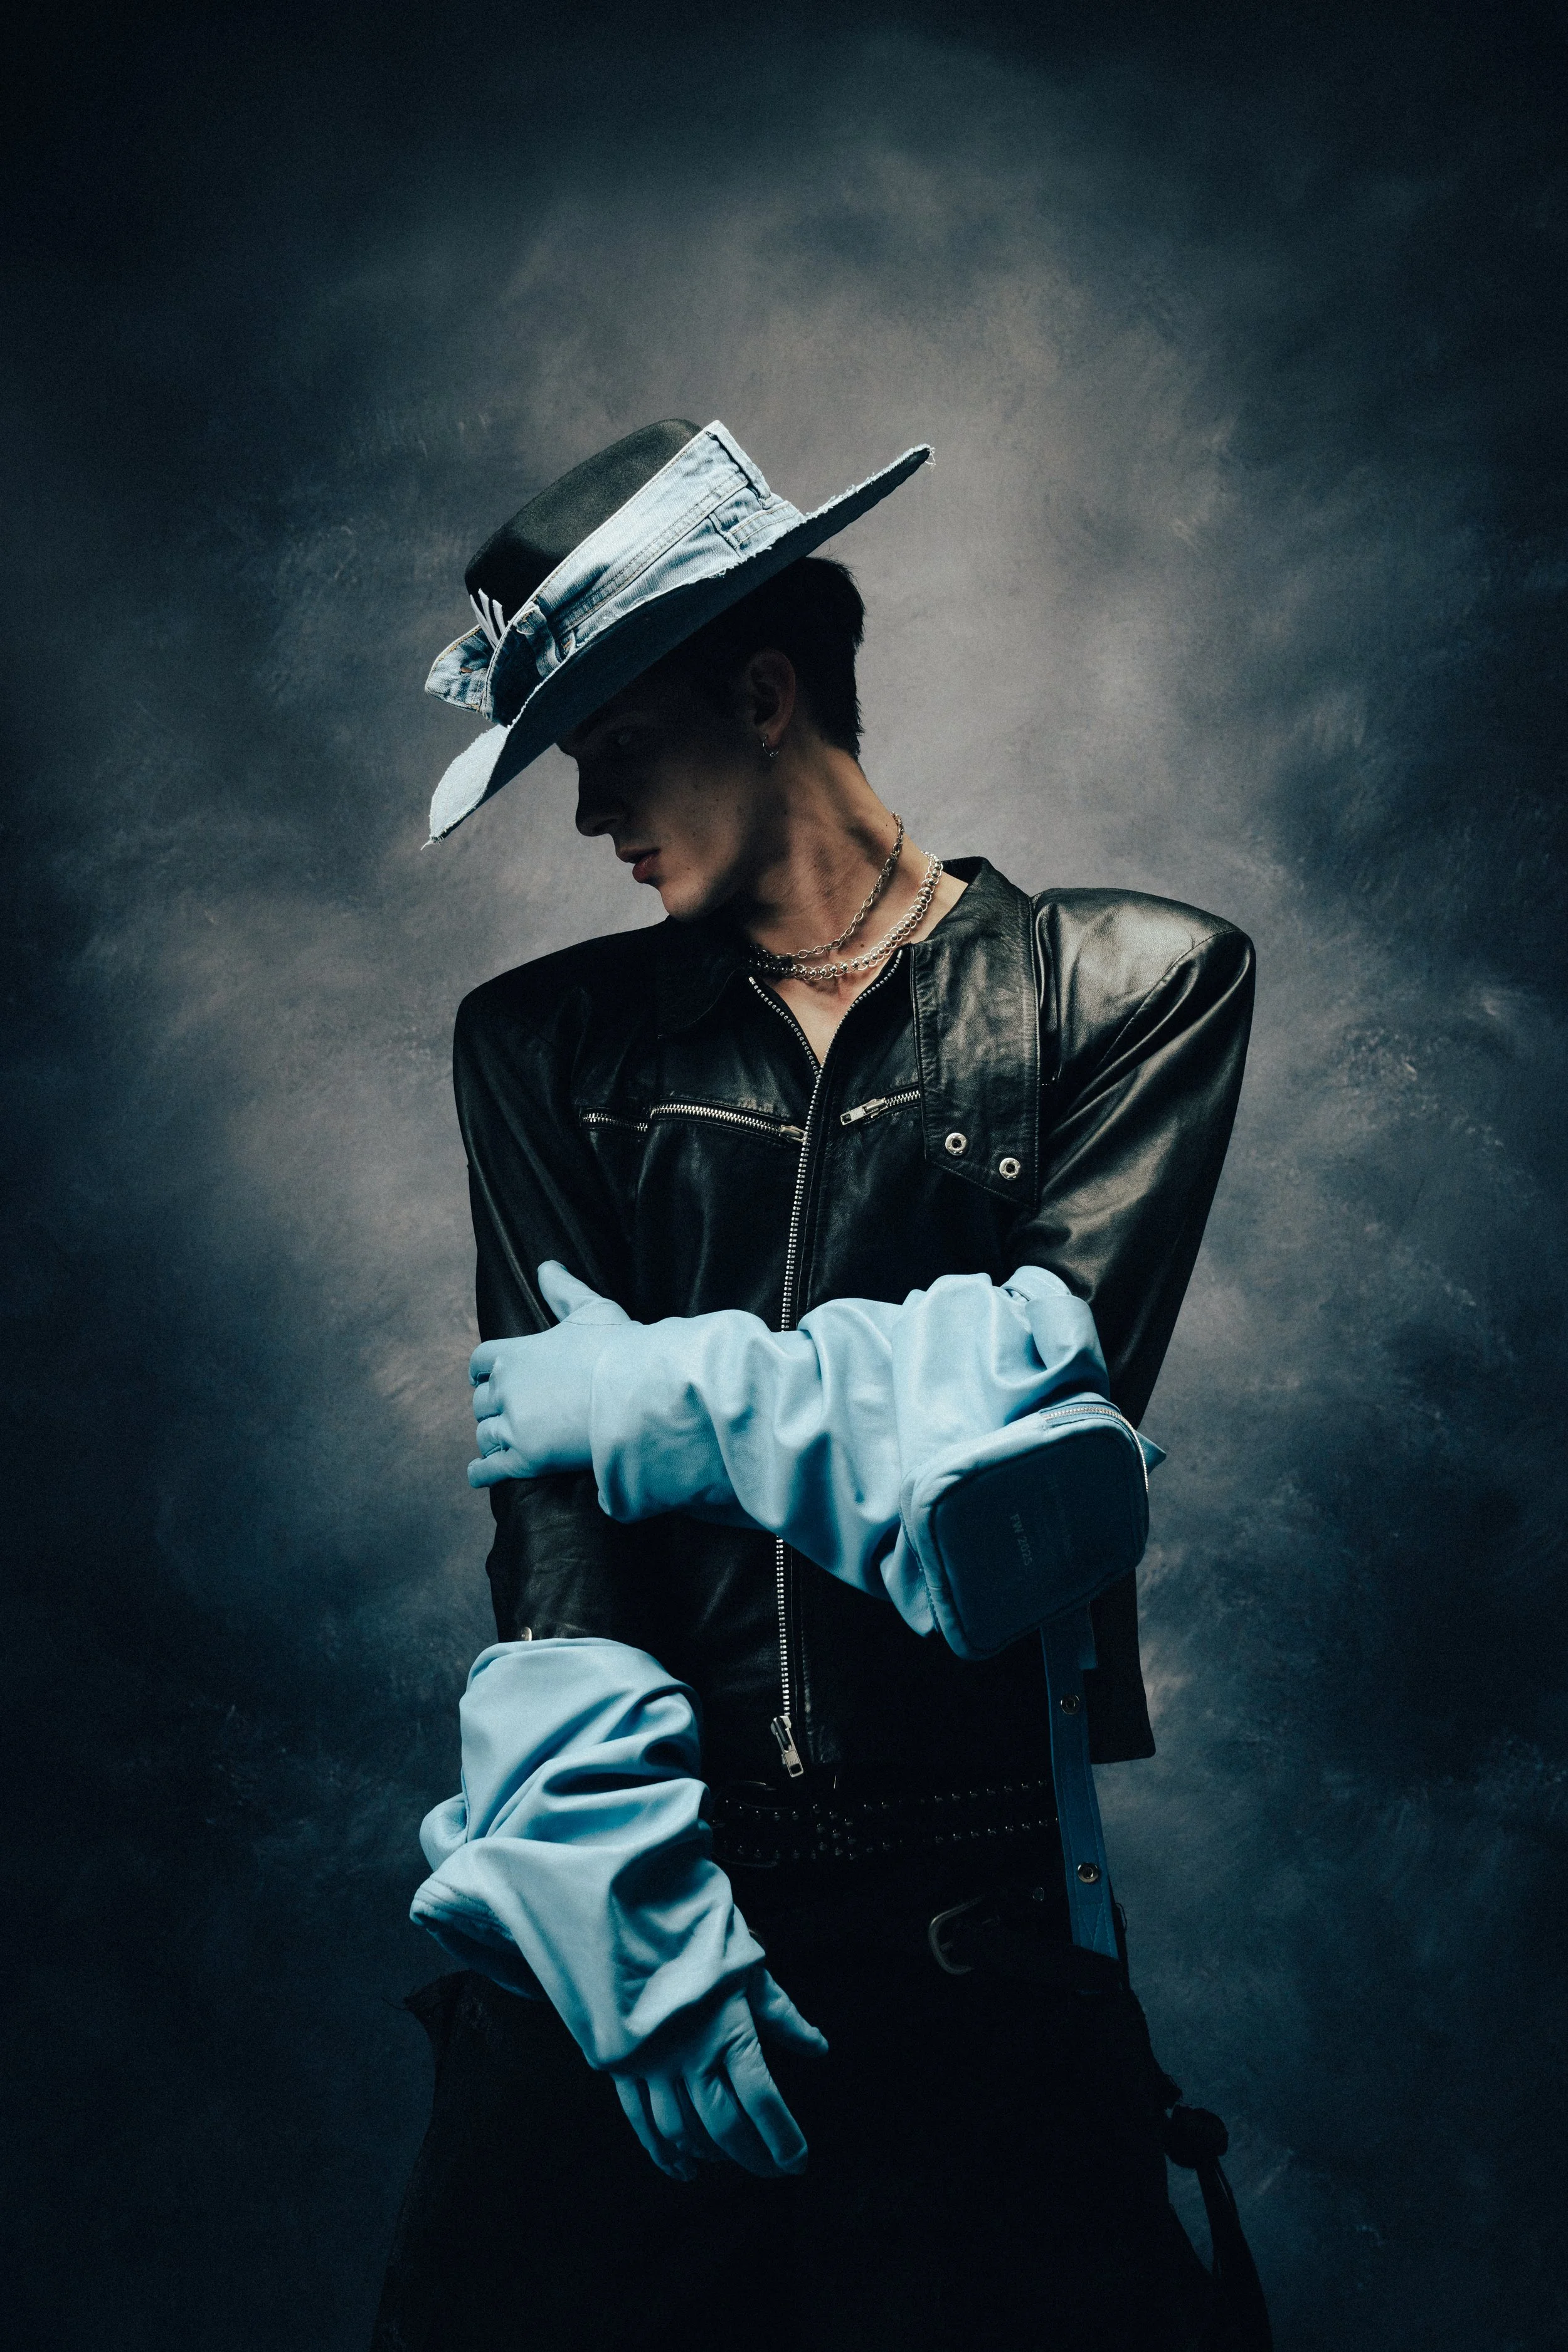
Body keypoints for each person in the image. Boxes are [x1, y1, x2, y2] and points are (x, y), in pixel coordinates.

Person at [371, 420, 1263, 2351]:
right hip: (632, 1914)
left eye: (610, 750)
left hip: (973, 1934)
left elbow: (1026, 1470)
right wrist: (602, 1885)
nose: (588, 815)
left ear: (763, 691)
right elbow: (554, 1531)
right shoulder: (538, 1044)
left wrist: (656, 1398)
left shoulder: (1128, 988)